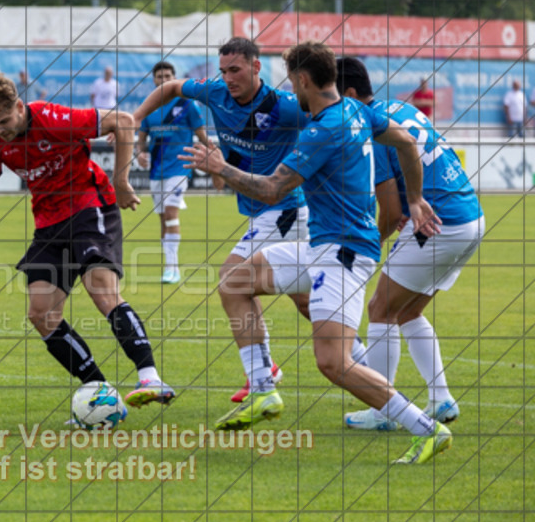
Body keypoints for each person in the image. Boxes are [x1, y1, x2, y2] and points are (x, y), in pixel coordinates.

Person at [184, 41, 452, 465]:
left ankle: (426, 428)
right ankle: (262, 386)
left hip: (342, 256)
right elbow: (404, 141)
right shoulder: (356, 111)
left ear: (303, 80)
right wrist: (414, 198)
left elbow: (271, 188)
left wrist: (220, 169)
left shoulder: (321, 129)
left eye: (292, 80)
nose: (291, 88)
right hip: (322, 249)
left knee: (333, 362)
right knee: (234, 280)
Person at [133, 38, 368, 405]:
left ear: (257, 67)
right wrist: (134, 119)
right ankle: (357, 365)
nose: (228, 78)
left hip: (286, 209)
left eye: (236, 70)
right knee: (306, 302)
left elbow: (336, 125)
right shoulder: (215, 93)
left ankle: (263, 377)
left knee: (233, 279)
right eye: (223, 71)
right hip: (261, 212)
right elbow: (171, 87)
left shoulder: (287, 108)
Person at [0, 75, 175, 415]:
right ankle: (101, 393)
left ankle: (149, 377)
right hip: (49, 223)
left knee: (102, 291)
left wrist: (121, 180)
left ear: (19, 107)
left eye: (4, 121)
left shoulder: (52, 117)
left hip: (91, 206)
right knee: (41, 313)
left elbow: (122, 121)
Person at [336, 57, 483, 431]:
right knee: (407, 312)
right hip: (469, 216)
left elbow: (388, 212)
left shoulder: (373, 129)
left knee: (380, 308)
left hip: (437, 222)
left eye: (332, 96)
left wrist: (363, 249)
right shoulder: (399, 108)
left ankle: (383, 409)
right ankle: (441, 399)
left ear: (350, 95)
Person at [135, 60, 213, 284]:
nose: (164, 80)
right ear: (154, 80)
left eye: (168, 76)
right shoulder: (149, 107)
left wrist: (216, 155)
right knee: (163, 219)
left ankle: (173, 268)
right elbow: (141, 138)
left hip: (180, 168)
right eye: (160, 77)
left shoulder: (187, 105)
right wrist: (140, 153)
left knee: (171, 213)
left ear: (174, 78)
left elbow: (202, 135)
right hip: (157, 171)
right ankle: (168, 266)